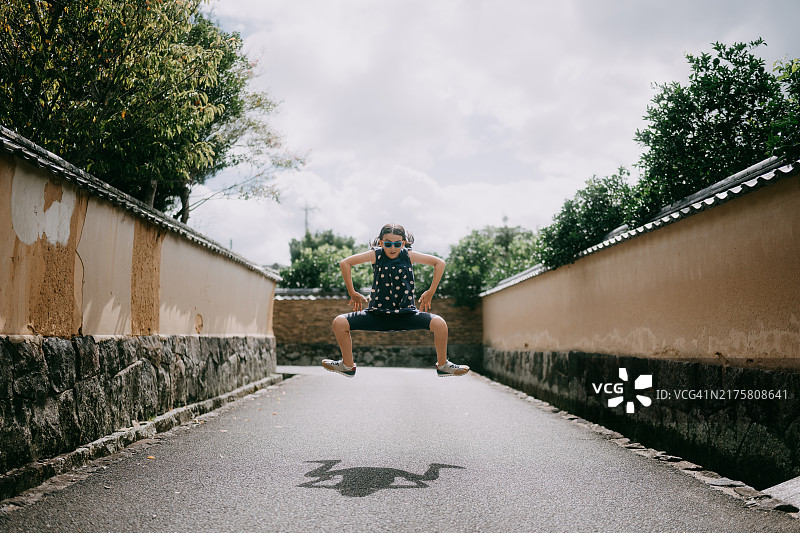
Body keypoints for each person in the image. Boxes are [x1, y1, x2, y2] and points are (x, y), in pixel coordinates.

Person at [322, 223, 470, 378]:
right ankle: (347, 365)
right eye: (387, 244)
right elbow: (345, 263)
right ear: (380, 243)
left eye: (397, 244)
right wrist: (352, 292)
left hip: (406, 315)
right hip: (377, 315)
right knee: (339, 322)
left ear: (403, 243)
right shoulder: (376, 255)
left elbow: (439, 263)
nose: (392, 249)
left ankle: (443, 365)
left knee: (440, 324)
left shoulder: (408, 255)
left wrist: (431, 291)